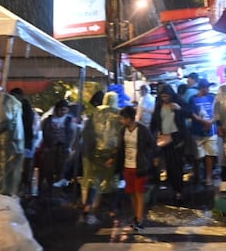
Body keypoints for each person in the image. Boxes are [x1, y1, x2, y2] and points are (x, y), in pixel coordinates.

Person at [80, 91, 122, 224]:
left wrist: (89, 151)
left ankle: (88, 205)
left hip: (97, 151)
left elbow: (87, 133)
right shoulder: (119, 114)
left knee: (94, 179)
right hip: (112, 152)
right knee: (112, 181)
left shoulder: (95, 113)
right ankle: (112, 209)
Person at [116, 105, 155, 232]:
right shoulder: (123, 130)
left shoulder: (142, 129)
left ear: (129, 118)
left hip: (140, 166)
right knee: (131, 192)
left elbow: (152, 145)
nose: (121, 121)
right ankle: (136, 216)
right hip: (127, 165)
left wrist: (152, 158)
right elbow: (120, 147)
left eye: (123, 118)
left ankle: (139, 219)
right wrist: (113, 159)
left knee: (139, 193)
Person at [149, 83, 187, 203]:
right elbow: (154, 122)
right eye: (162, 96)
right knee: (169, 165)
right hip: (164, 138)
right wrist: (154, 135)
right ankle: (174, 189)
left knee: (177, 165)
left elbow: (190, 112)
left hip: (177, 137)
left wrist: (179, 109)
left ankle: (179, 190)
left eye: (166, 96)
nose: (164, 98)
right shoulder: (159, 105)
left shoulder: (178, 103)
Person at [40, 99, 77, 190]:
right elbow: (43, 132)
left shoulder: (69, 120)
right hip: (50, 148)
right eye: (61, 110)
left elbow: (72, 134)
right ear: (56, 109)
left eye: (65, 110)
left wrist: (69, 147)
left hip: (63, 148)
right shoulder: (48, 120)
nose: (63, 112)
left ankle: (58, 189)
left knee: (61, 168)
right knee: (49, 168)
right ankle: (48, 188)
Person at [188, 78, 218, 186]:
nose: (208, 89)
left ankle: (208, 177)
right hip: (197, 132)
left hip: (211, 131)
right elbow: (192, 114)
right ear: (201, 88)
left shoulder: (212, 97)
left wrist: (211, 122)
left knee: (210, 155)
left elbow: (216, 112)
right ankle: (198, 176)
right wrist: (204, 122)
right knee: (198, 156)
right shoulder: (193, 99)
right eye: (206, 87)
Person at [9, 87, 37, 196]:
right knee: (20, 168)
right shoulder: (18, 107)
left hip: (24, 142)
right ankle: (21, 190)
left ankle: (24, 191)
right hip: (20, 142)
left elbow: (25, 126)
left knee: (24, 168)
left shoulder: (24, 108)